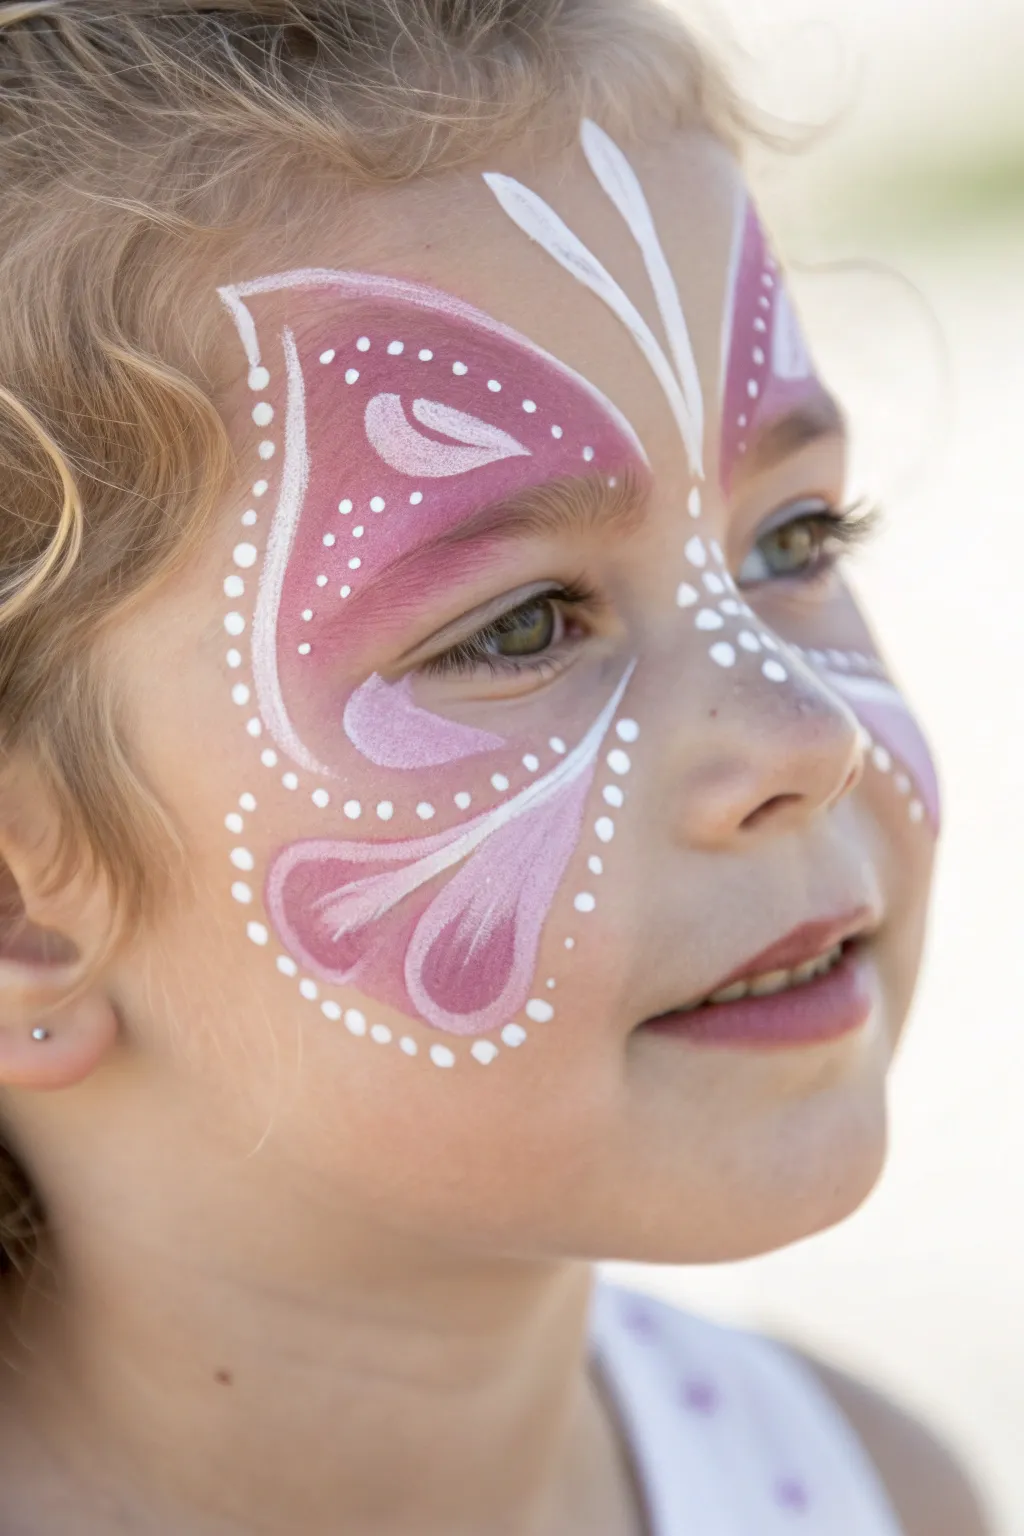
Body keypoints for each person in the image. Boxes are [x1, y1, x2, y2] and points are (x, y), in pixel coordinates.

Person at [0, 1, 991, 1531]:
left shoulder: (876, 1496)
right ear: (22, 910)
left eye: (794, 539)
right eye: (523, 625)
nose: (809, 737)